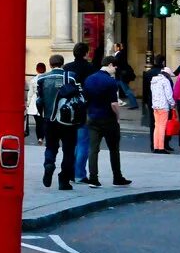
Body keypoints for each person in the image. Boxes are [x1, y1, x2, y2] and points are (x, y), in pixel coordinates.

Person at [83, 57, 132, 187]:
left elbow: (85, 100)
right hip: (108, 118)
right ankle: (117, 177)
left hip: (92, 117)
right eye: (115, 67)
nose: (115, 70)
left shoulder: (89, 79)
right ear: (110, 65)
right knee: (114, 149)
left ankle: (93, 178)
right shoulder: (111, 82)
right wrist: (118, 117)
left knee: (93, 149)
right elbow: (114, 104)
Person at [36, 55, 77, 190]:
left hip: (49, 119)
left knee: (51, 147)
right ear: (62, 63)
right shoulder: (71, 77)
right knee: (69, 150)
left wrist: (42, 115)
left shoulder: (42, 78)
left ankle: (49, 164)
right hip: (67, 121)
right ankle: (64, 180)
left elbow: (39, 100)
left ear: (50, 64)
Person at [63, 42, 96, 184]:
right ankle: (80, 173)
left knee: (71, 142)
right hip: (85, 107)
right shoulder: (90, 68)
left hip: (69, 108)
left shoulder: (67, 68)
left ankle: (69, 171)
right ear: (86, 53)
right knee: (83, 142)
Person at [150, 66, 176, 153]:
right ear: (168, 74)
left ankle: (155, 146)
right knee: (162, 127)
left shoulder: (154, 81)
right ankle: (161, 147)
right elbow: (169, 95)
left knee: (156, 127)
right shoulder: (166, 81)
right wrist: (173, 104)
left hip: (155, 106)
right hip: (163, 107)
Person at [112, 43, 139, 109]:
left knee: (127, 90)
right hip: (118, 76)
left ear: (118, 48)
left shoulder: (120, 54)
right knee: (113, 88)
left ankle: (134, 104)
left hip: (121, 76)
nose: (113, 48)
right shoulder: (118, 54)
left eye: (115, 47)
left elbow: (117, 63)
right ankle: (115, 102)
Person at [26, 62, 47, 145]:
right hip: (45, 100)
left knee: (38, 122)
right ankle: (43, 137)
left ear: (36, 69)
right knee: (44, 121)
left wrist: (28, 103)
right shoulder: (47, 78)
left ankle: (40, 138)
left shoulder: (33, 80)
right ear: (45, 69)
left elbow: (30, 93)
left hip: (35, 101)